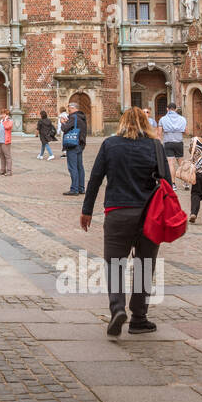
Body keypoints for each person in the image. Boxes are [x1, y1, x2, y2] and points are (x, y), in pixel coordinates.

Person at [79, 107, 169, 336]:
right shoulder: (155, 146)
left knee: (115, 265)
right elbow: (167, 182)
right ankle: (139, 318)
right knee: (144, 265)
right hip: (149, 214)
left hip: (118, 212)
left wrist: (87, 209)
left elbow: (95, 179)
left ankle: (118, 308)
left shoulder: (110, 145)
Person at [159, 103, 189, 188]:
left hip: (168, 142)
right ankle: (186, 182)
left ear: (167, 109)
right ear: (175, 109)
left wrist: (160, 141)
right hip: (179, 142)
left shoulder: (163, 119)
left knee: (171, 163)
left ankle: (173, 184)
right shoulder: (182, 119)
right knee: (181, 163)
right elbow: (186, 132)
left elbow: (159, 133)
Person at [61, 102, 88, 196]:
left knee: (73, 167)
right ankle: (81, 188)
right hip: (80, 144)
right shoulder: (82, 117)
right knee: (80, 167)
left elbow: (65, 129)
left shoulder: (73, 117)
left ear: (73, 108)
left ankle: (74, 189)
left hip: (72, 144)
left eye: (69, 109)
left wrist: (63, 123)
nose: (69, 112)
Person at [0, 107, 14, 175]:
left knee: (7, 156)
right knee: (1, 156)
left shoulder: (9, 121)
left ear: (7, 114)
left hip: (5, 141)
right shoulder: (0, 122)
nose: (2, 115)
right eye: (1, 114)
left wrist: (6, 120)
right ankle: (2, 170)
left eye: (3, 114)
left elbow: (7, 127)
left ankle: (9, 171)